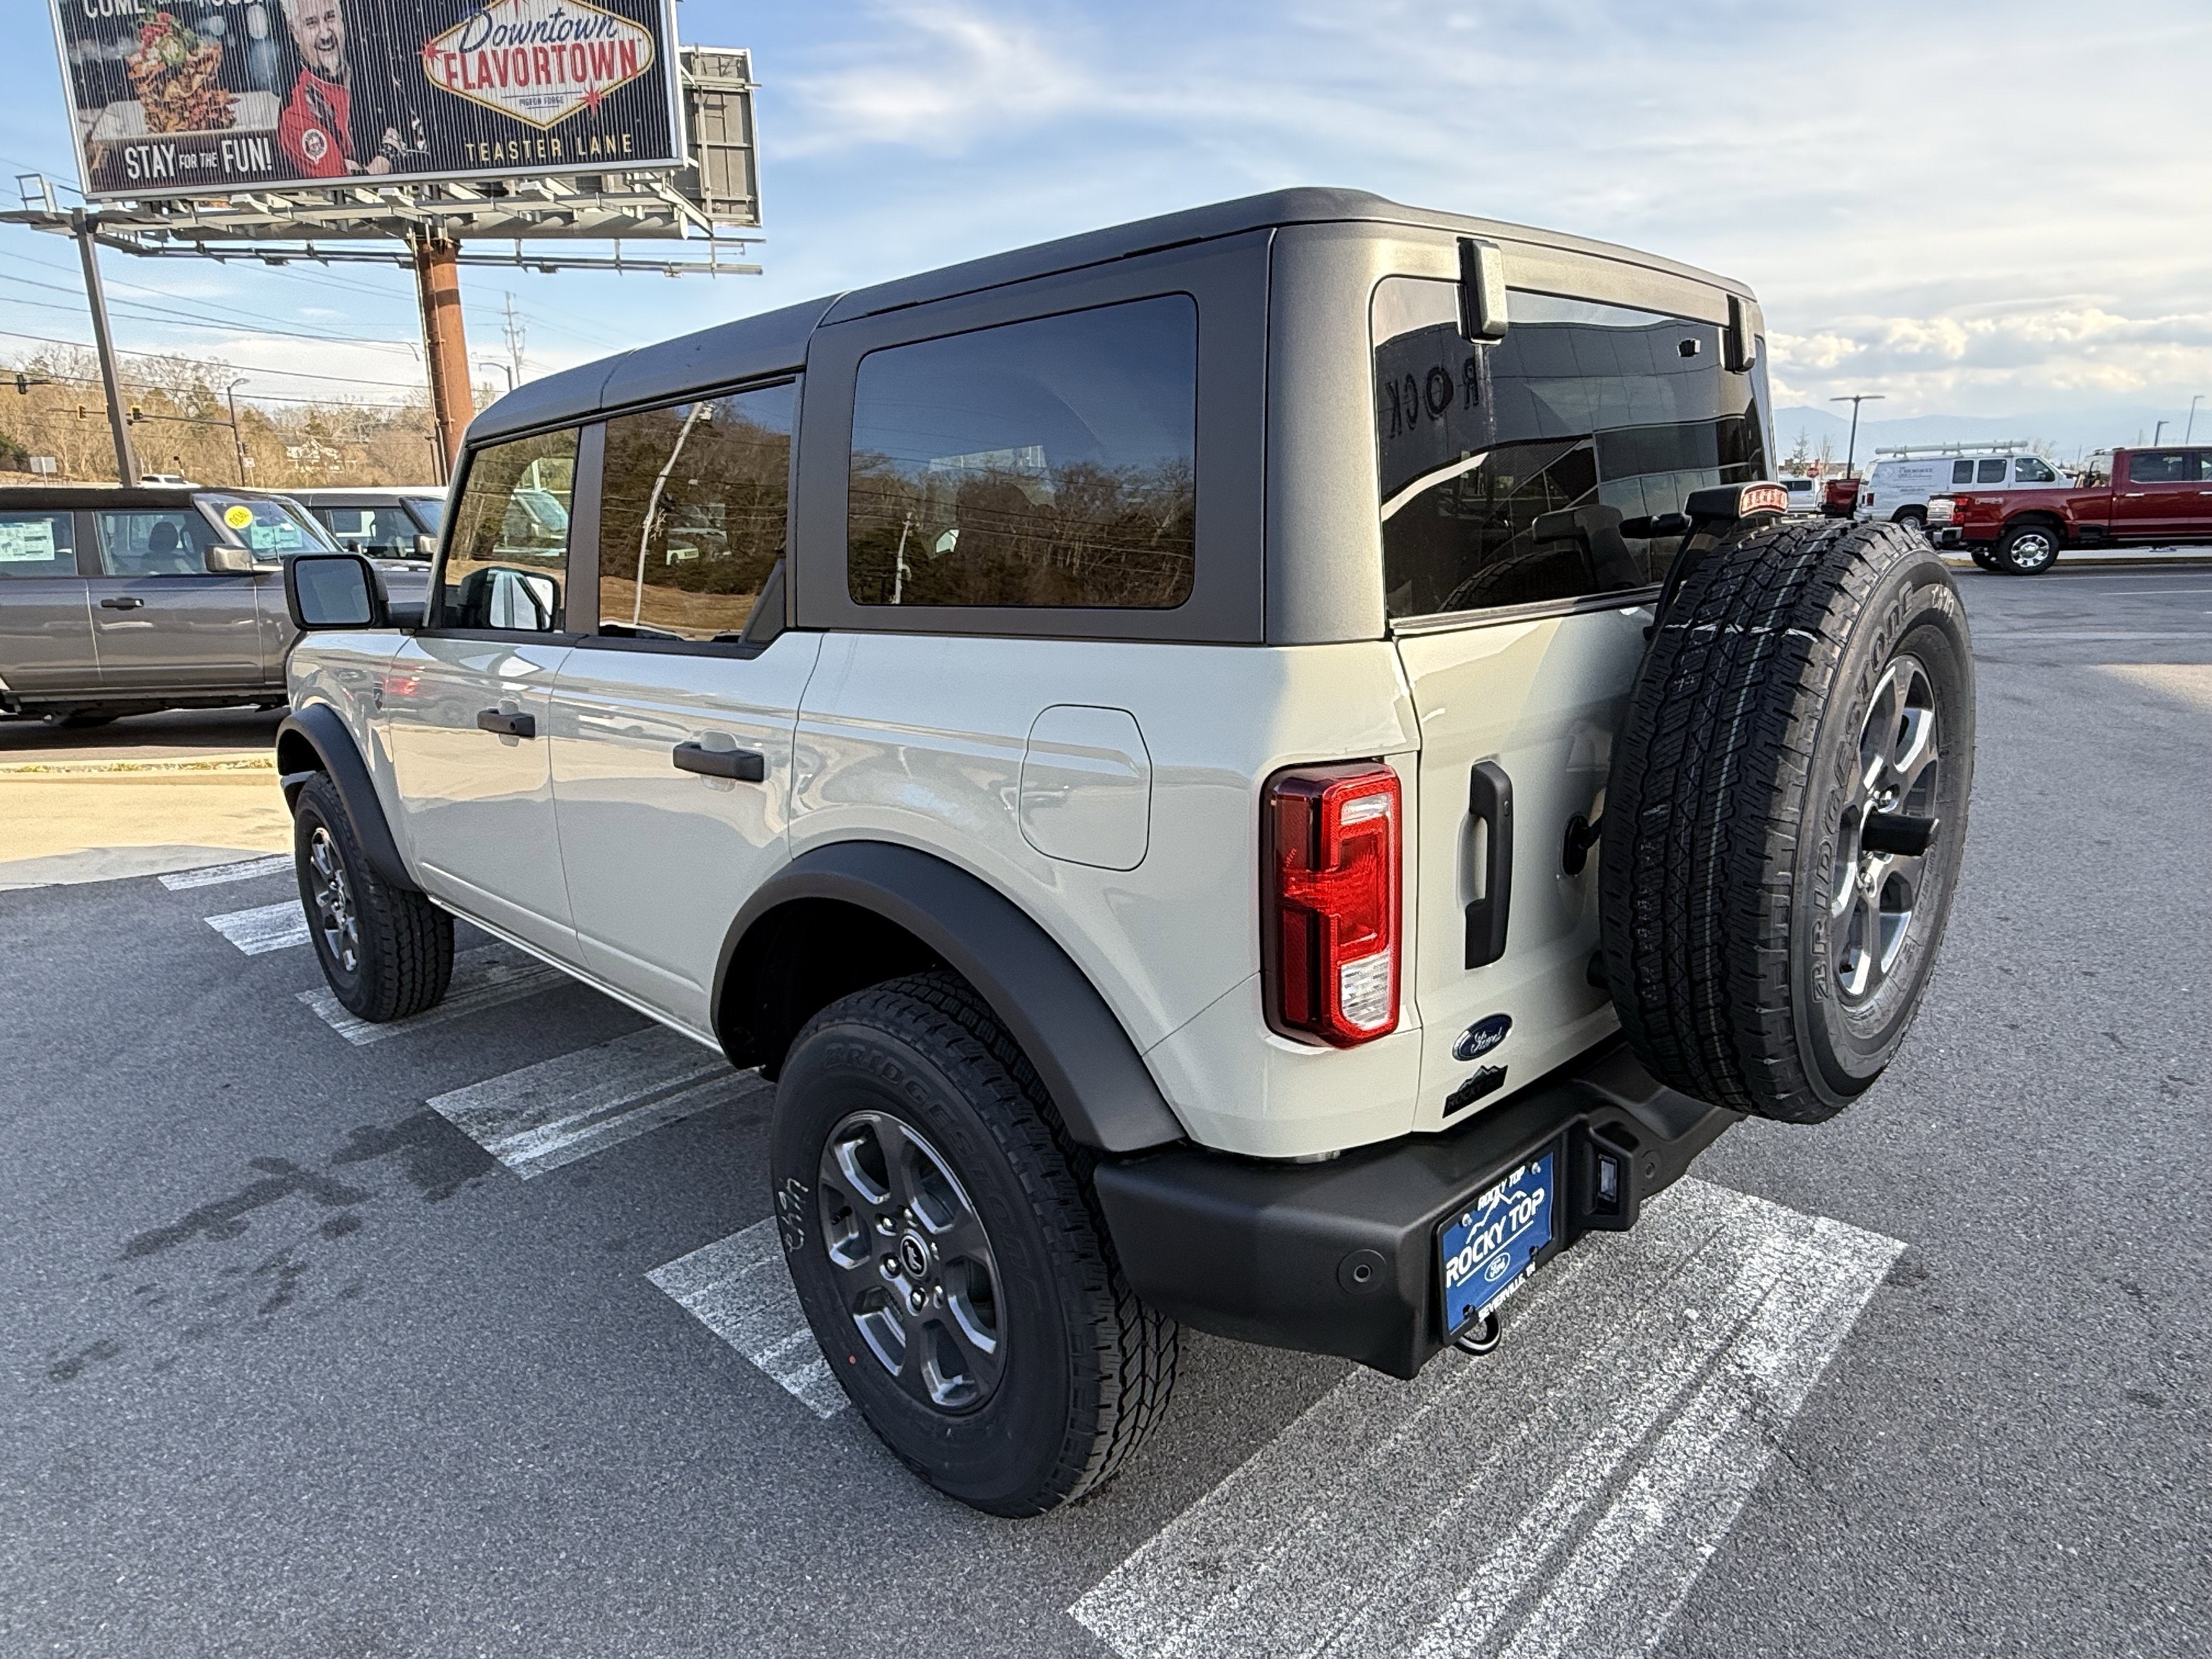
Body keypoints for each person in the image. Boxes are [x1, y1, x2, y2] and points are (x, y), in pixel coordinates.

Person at [275, 0, 420, 178]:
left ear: (342, 19)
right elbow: (347, 185)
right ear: (295, 33)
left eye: (330, 17)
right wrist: (388, 154)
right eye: (312, 23)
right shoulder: (296, 110)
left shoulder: (371, 70)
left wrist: (366, 167)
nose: (325, 34)